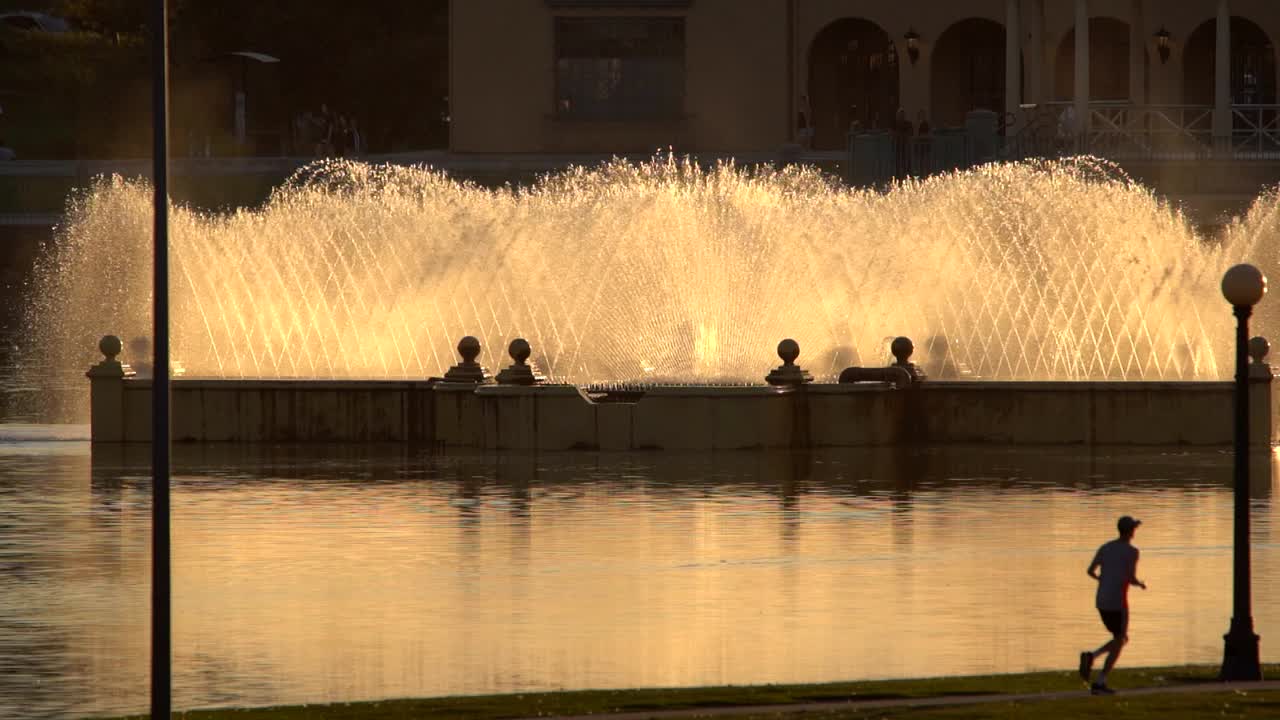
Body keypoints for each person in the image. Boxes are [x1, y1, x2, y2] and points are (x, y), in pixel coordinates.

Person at [1079, 516, 1147, 695]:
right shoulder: (1132, 551)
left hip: (1101, 600)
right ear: (1131, 531)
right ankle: (1099, 679)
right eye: (1134, 528)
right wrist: (1140, 584)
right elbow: (1130, 578)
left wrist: (1103, 580)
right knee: (1121, 639)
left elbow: (1090, 571)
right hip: (1118, 602)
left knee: (1120, 639)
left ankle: (1093, 661)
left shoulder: (1105, 547)